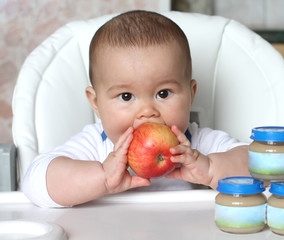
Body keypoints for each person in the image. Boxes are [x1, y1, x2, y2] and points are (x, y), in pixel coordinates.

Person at [22, 10, 249, 208]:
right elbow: (35, 182)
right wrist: (102, 177)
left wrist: (210, 169)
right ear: (96, 103)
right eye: (126, 96)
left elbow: (260, 167)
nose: (147, 111)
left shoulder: (197, 146)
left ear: (191, 94)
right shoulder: (96, 146)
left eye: (163, 93)